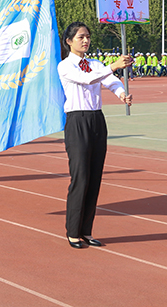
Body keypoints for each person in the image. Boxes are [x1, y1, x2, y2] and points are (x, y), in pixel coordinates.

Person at [58, 22, 133, 249]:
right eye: (81, 37)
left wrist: (121, 93)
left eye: (88, 36)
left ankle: (86, 230)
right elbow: (88, 79)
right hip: (77, 122)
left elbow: (109, 81)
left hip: (97, 120)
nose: (85, 40)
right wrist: (113, 65)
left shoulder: (95, 63)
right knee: (81, 177)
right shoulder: (65, 66)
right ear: (69, 41)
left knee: (94, 177)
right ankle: (73, 231)